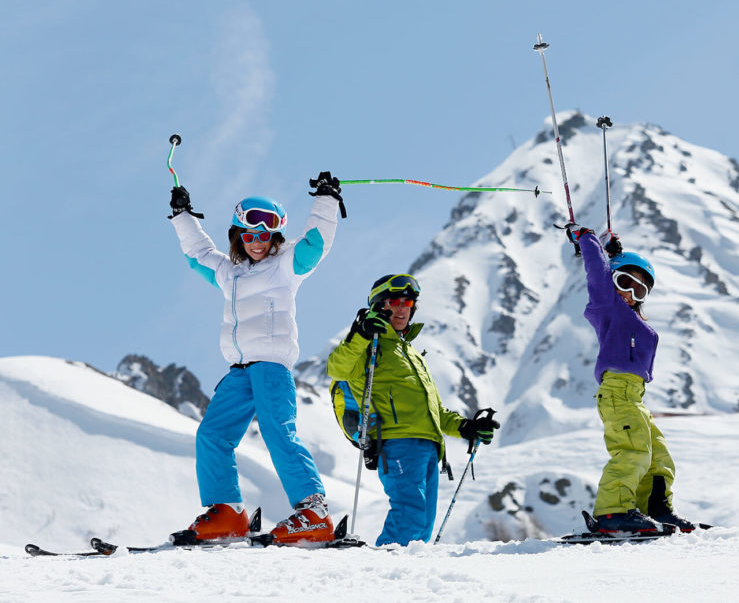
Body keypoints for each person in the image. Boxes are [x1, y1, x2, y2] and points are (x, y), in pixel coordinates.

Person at [167, 171, 346, 545]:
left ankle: (313, 512)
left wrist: (326, 200)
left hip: (271, 366)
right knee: (213, 434)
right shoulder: (227, 272)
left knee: (278, 430)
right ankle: (228, 512)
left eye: (265, 236)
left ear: (275, 238)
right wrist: (183, 216)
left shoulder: (286, 265)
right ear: (238, 237)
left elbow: (315, 243)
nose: (257, 242)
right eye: (249, 235)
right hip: (239, 370)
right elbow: (198, 254)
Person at [327, 273, 500, 547]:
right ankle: (382, 574)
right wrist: (361, 334)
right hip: (396, 443)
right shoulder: (369, 346)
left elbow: (434, 411)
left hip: (429, 445)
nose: (401, 308)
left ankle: (406, 580)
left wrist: (466, 427)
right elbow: (337, 368)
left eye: (407, 302)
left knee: (423, 525)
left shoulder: (410, 352)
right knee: (409, 514)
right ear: (378, 306)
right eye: (394, 301)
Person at [567, 225, 696, 534]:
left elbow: (612, 272)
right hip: (617, 391)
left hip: (633, 395)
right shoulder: (606, 305)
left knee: (658, 452)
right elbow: (597, 273)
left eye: (640, 290)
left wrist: (614, 253)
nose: (630, 293)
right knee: (633, 449)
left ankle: (654, 507)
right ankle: (613, 511)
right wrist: (587, 239)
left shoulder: (633, 319)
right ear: (611, 281)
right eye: (624, 282)